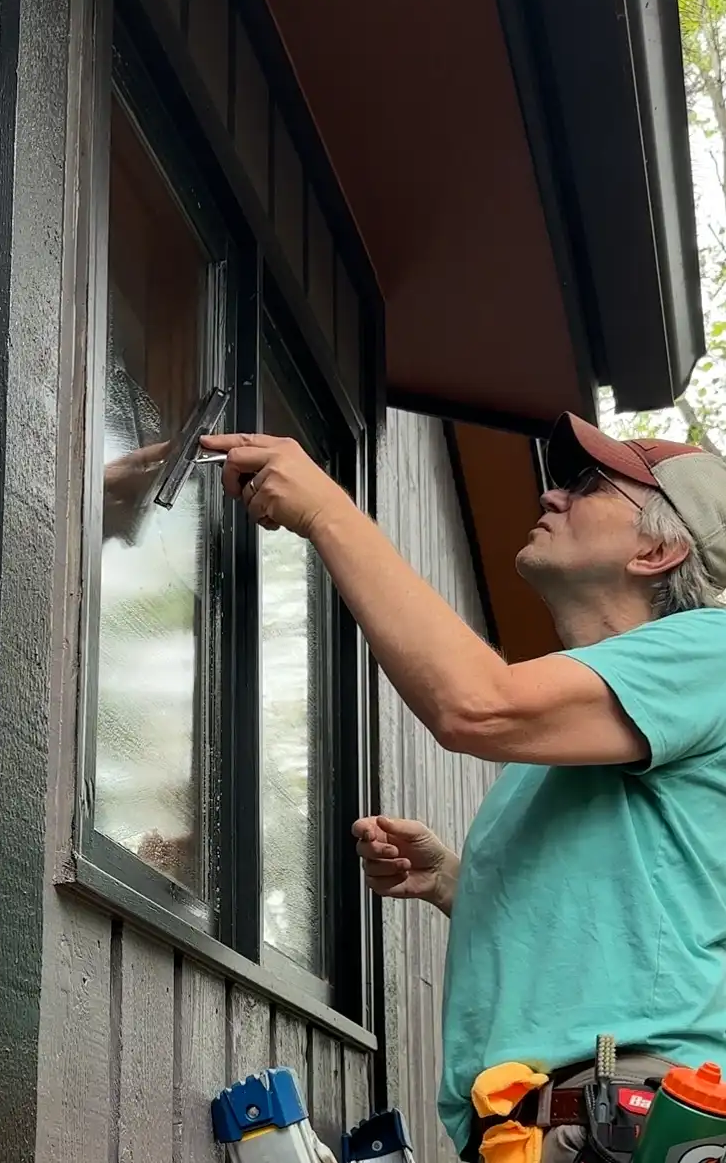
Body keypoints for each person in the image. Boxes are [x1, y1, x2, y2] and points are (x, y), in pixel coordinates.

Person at [201, 413, 726, 1163]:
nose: (550, 494)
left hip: (628, 1120)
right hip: (556, 1127)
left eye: (584, 484)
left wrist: (325, 508)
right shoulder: (579, 744)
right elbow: (629, 912)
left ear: (658, 548)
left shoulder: (714, 649)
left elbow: (473, 702)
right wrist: (458, 879)